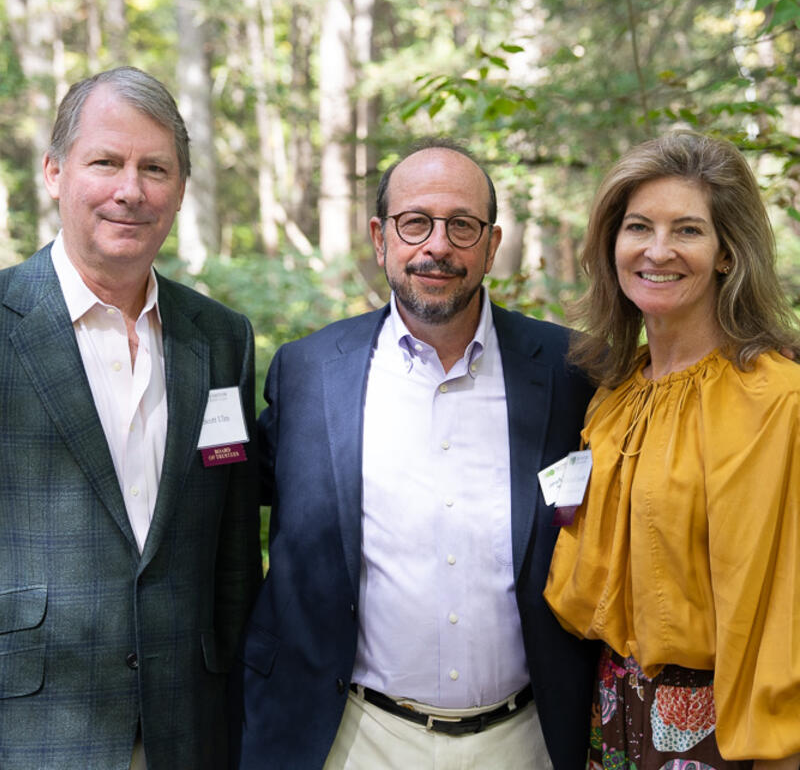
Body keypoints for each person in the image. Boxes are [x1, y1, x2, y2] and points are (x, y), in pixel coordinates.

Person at [229, 139, 598, 770]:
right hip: (353, 737)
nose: (438, 246)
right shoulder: (311, 373)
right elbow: (230, 504)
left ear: (491, 242)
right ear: (381, 238)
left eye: (462, 225)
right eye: (415, 223)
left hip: (527, 737)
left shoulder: (572, 372)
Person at [0, 67, 263, 770]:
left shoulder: (221, 338)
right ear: (55, 173)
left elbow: (233, 546)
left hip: (191, 730)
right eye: (105, 162)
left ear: (179, 189)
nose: (130, 190)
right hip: (32, 731)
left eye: (155, 168)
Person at [544, 131, 800, 769]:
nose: (658, 251)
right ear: (612, 245)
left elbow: (785, 608)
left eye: (687, 230)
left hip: (730, 727)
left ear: (726, 253)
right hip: (612, 713)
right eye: (638, 227)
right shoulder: (614, 393)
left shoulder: (778, 399)